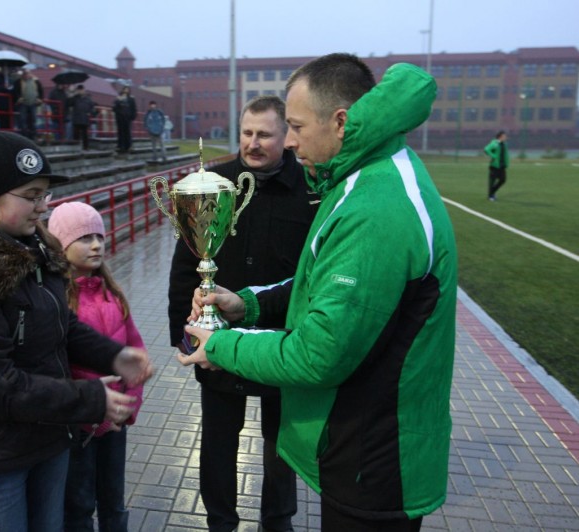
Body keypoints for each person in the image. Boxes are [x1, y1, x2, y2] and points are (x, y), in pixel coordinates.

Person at [181, 54, 457, 532]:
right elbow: (322, 286)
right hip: (366, 443)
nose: (289, 141)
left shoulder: (374, 208)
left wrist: (222, 345)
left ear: (341, 122)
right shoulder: (366, 178)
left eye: (295, 126)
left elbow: (319, 354)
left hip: (374, 456)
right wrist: (247, 304)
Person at [0, 130, 153, 531]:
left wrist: (113, 355)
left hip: (47, 438)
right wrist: (89, 398)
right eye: (31, 196)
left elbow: (61, 324)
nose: (43, 207)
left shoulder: (35, 251)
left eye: (44, 195)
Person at [168, 95, 317, 532]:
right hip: (219, 339)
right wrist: (185, 335)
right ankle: (220, 522)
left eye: (264, 134)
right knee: (217, 441)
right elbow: (186, 265)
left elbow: (312, 276)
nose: (253, 143)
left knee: (279, 445)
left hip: (279, 342)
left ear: (286, 136)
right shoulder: (214, 184)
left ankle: (278, 521)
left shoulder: (310, 192)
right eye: (247, 133)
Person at [49, 202, 145, 532]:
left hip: (115, 424)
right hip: (79, 428)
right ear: (61, 247)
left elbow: (135, 350)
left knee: (113, 500)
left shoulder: (111, 294)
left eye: (99, 237)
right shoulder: (58, 301)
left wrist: (127, 406)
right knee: (78, 504)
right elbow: (60, 368)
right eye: (84, 238)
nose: (96, 245)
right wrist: (90, 410)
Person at [14, 68, 44, 140]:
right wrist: (18, 98)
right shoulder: (18, 82)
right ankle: (24, 135)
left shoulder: (36, 81)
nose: (26, 75)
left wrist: (40, 99)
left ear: (30, 74)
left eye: (27, 73)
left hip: (33, 102)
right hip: (23, 103)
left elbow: (41, 91)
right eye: (25, 74)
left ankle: (32, 135)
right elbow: (15, 91)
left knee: (33, 120)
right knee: (22, 120)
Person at [484, 130, 509, 201]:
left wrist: (506, 163)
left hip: (502, 165)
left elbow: (505, 154)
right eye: (504, 136)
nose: (506, 137)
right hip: (494, 166)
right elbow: (486, 149)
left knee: (503, 180)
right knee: (492, 181)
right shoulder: (494, 143)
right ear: (500, 137)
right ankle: (490, 196)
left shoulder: (504, 144)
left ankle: (492, 192)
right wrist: (493, 156)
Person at [70, 84, 96, 151]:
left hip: (85, 119)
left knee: (85, 134)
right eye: (79, 90)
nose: (80, 91)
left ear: (84, 90)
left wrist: (90, 113)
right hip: (77, 118)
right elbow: (68, 103)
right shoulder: (75, 98)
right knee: (76, 134)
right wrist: (72, 93)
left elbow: (92, 108)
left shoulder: (88, 99)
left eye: (81, 90)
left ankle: (86, 147)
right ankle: (75, 148)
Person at [112, 86, 136, 155]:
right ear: (122, 90)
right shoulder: (118, 98)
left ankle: (128, 146)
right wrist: (118, 101)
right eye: (125, 90)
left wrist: (132, 116)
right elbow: (114, 108)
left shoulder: (131, 99)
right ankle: (120, 146)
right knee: (120, 132)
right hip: (120, 118)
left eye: (127, 90)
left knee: (128, 132)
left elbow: (134, 108)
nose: (126, 91)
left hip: (127, 118)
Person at [0, 66, 15, 130]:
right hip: (0, 104)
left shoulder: (10, 80)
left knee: (10, 123)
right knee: (2, 122)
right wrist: (3, 87)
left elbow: (13, 90)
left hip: (9, 104)